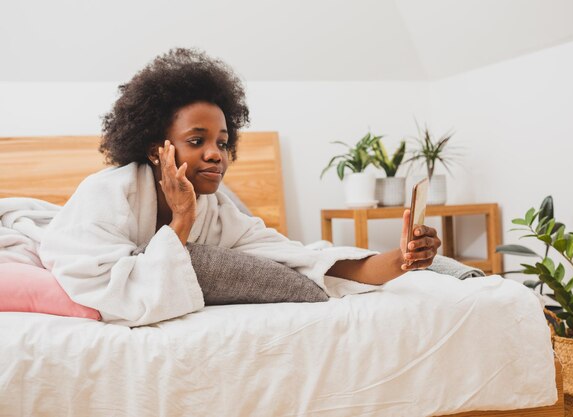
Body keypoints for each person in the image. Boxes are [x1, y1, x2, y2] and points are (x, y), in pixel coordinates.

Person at [38, 48, 441, 326]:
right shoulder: (106, 195)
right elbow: (112, 294)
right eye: (197, 141)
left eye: (223, 142)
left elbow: (301, 262)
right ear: (156, 148)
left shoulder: (218, 212)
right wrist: (180, 221)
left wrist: (402, 259)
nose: (217, 155)